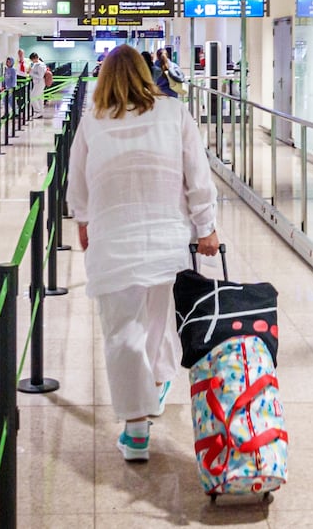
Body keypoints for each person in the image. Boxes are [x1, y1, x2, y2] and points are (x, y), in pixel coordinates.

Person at [68, 44, 220, 462]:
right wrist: (206, 227)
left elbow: (76, 180)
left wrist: (83, 220)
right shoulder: (174, 114)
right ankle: (155, 385)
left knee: (123, 334)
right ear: (146, 72)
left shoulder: (92, 123)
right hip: (167, 242)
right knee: (158, 324)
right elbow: (197, 176)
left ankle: (136, 430)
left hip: (113, 243)